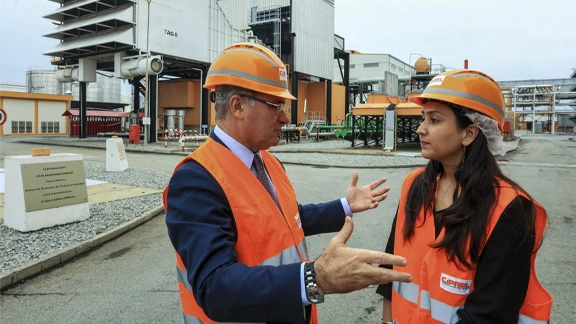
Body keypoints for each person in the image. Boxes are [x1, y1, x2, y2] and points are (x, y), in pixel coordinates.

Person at [164, 42, 412, 324]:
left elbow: (287, 220)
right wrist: (315, 278)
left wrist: (345, 206)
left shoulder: (267, 161)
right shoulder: (196, 180)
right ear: (237, 106)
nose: (285, 117)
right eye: (276, 105)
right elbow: (215, 287)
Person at [376, 69, 553, 324]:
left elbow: (490, 313)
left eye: (434, 120)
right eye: (422, 118)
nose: (420, 130)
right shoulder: (414, 185)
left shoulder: (509, 208)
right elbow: (391, 267)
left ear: (469, 133)